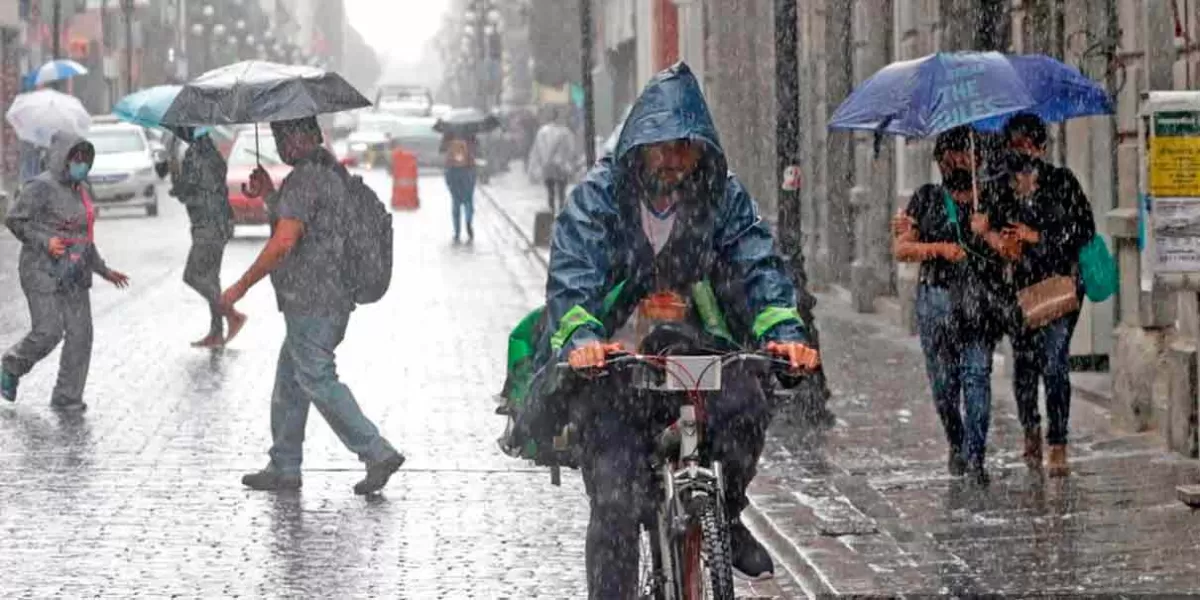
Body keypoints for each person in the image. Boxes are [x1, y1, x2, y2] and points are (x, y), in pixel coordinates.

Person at [538, 63, 819, 596]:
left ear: (703, 151)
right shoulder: (597, 198)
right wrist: (582, 341)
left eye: (684, 148)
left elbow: (757, 262)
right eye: (661, 147)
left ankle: (726, 514)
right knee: (617, 504)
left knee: (745, 406)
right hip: (616, 367)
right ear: (638, 146)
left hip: (697, 351)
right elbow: (573, 276)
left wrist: (783, 329)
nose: (672, 161)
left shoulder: (722, 197)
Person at [220, 116, 404, 495]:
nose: (282, 144)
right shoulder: (328, 172)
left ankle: (375, 450)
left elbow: (286, 240)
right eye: (276, 136)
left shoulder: (306, 177)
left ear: (305, 137)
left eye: (285, 136)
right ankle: (284, 464)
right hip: (329, 297)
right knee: (291, 378)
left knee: (317, 377)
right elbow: (316, 225)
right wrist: (271, 194)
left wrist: (240, 286)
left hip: (312, 300)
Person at [892, 126, 1017, 486]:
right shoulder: (927, 198)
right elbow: (902, 249)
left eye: (963, 154)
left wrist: (987, 233)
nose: (956, 162)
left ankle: (976, 458)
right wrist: (940, 250)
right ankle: (957, 441)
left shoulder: (991, 198)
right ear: (940, 162)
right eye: (948, 156)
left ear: (977, 158)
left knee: (977, 377)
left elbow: (1013, 252)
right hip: (937, 298)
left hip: (980, 301)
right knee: (944, 384)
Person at [1, 133, 130, 410]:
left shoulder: (81, 190)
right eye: (76, 158)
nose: (82, 164)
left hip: (75, 273)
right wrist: (45, 241)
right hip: (41, 271)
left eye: (86, 159)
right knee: (49, 331)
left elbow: (84, 238)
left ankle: (67, 397)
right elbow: (14, 220)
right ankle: (11, 366)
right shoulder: (40, 187)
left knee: (81, 335)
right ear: (62, 158)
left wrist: (104, 270)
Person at [1000, 114, 1096, 477]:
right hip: (1019, 292)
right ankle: (1031, 429)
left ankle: (1058, 441)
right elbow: (993, 236)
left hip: (1058, 287)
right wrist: (1002, 240)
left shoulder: (1062, 182)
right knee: (1024, 367)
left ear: (1041, 147)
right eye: (1015, 143)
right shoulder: (1000, 188)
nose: (1022, 151)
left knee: (1054, 363)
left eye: (1028, 143)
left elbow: (1083, 230)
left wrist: (1035, 236)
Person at [169, 126, 246, 347]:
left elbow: (188, 190)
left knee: (193, 276)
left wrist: (175, 175)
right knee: (211, 277)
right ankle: (216, 332)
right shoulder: (212, 154)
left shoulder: (196, 156)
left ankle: (231, 314)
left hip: (208, 224)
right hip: (218, 222)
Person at [526, 107, 578, 213]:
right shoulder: (565, 132)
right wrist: (569, 161)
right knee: (562, 191)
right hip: (561, 165)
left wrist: (537, 165)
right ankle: (562, 211)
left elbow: (537, 149)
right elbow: (571, 148)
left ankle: (551, 210)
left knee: (550, 191)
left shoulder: (543, 131)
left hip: (548, 165)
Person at [439, 129, 478, 243]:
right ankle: (468, 221)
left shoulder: (448, 133)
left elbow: (441, 150)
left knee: (456, 201)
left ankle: (457, 232)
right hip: (468, 171)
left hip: (452, 171)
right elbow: (477, 151)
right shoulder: (470, 133)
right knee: (468, 200)